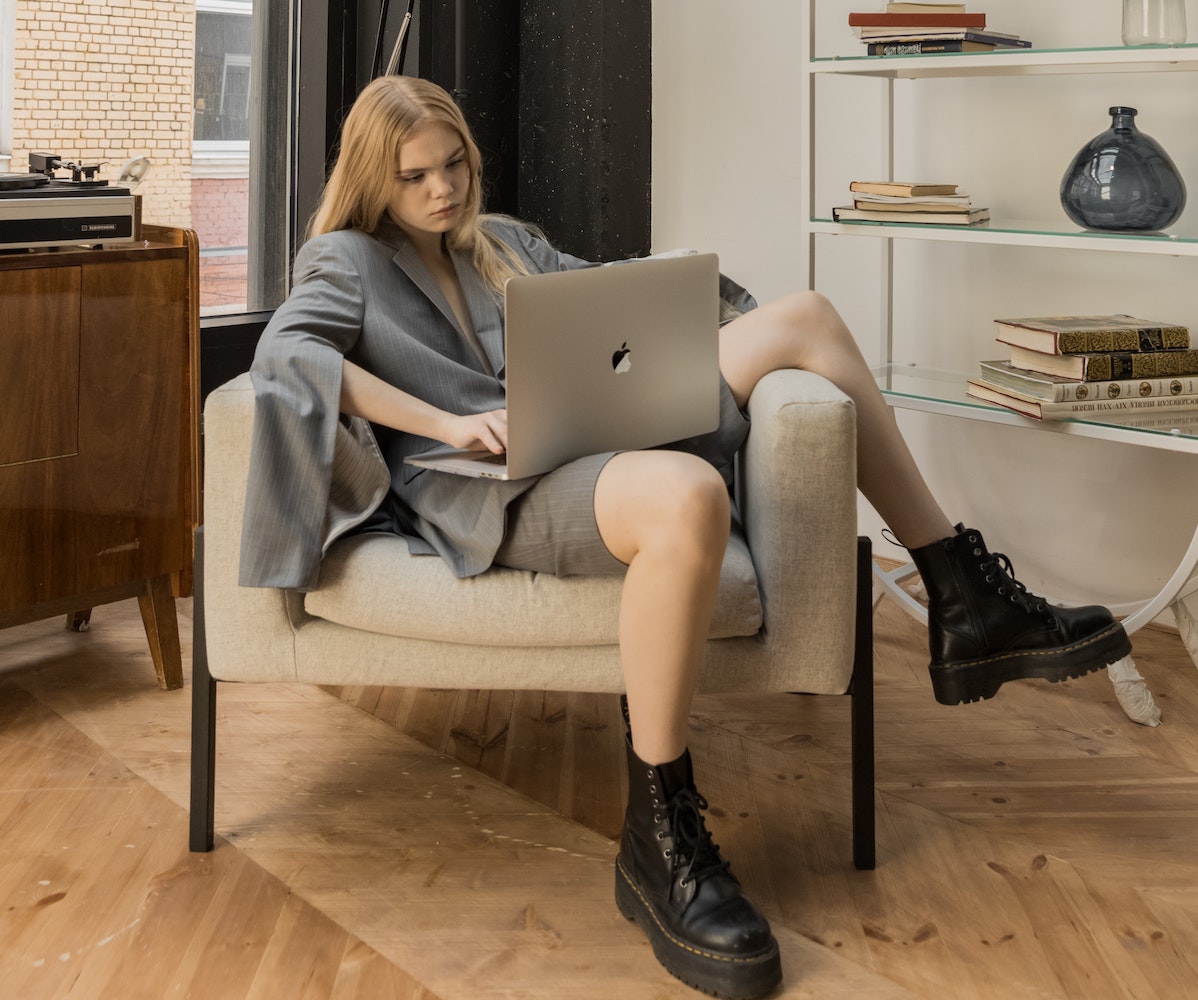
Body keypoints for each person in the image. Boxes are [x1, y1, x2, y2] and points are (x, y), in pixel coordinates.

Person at [241, 75, 1131, 1000]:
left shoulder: (501, 241)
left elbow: (606, 309)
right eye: (414, 176)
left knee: (807, 319)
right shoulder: (344, 260)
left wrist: (678, 293)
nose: (442, 190)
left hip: (580, 430)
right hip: (487, 485)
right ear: (372, 180)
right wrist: (451, 421)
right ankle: (659, 835)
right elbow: (291, 358)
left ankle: (959, 594)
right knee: (690, 496)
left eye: (454, 163)